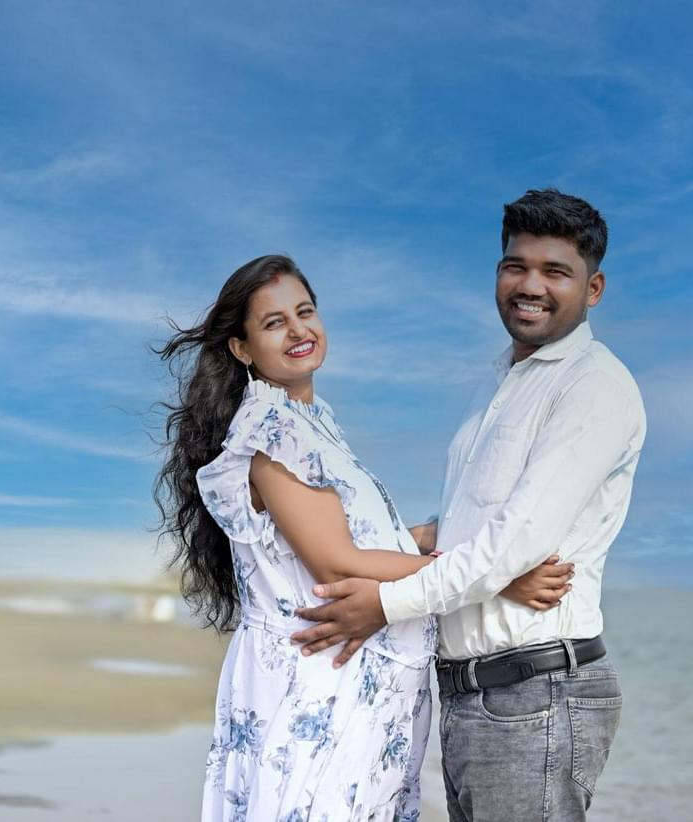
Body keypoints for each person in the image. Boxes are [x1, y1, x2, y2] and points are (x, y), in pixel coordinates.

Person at [153, 254, 573, 821]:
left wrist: (477, 532)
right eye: (274, 322)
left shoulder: (310, 422)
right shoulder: (271, 429)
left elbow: (383, 540)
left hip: (355, 682)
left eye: (305, 311)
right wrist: (496, 578)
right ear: (242, 348)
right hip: (321, 684)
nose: (299, 329)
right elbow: (336, 561)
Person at [291, 189, 647, 821]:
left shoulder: (594, 387)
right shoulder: (501, 382)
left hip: (534, 694)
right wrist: (389, 540)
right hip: (475, 696)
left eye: (554, 271)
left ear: (592, 289)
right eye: (516, 266)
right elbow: (466, 529)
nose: (529, 285)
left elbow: (512, 546)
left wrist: (383, 604)